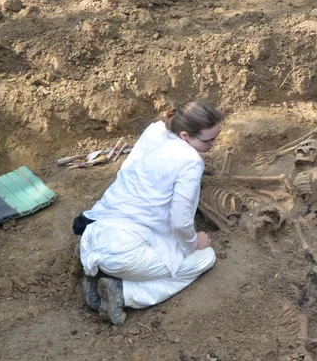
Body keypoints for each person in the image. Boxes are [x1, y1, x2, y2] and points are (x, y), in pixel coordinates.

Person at [74, 100, 223, 325]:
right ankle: (123, 292)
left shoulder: (155, 130)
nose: (214, 144)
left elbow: (126, 169)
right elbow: (181, 223)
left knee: (151, 247)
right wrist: (194, 244)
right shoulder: (191, 161)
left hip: (94, 235)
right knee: (205, 258)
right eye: (209, 140)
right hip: (125, 252)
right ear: (184, 135)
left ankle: (98, 280)